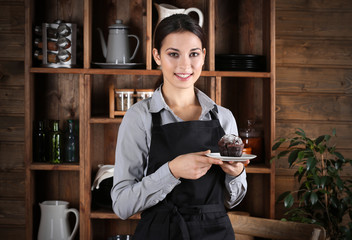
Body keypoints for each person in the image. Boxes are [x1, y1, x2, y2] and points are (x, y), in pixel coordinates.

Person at [111, 14, 249, 240]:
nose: (185, 65)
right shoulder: (139, 118)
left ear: (203, 56)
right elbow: (122, 205)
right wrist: (171, 171)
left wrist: (237, 173)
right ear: (157, 56)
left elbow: (231, 201)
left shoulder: (224, 117)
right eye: (173, 54)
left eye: (193, 54)